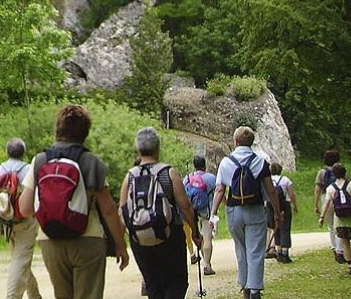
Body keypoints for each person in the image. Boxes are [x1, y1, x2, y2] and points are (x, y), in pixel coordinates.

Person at [17, 104, 129, 299]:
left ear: (57, 129)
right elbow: (109, 210)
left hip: (50, 241)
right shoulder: (92, 162)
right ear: (85, 132)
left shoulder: (40, 160)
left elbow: (25, 208)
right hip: (88, 239)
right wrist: (120, 244)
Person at [120, 127, 201, 299]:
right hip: (170, 235)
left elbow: (123, 211)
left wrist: (126, 237)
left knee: (153, 284)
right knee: (176, 282)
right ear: (158, 148)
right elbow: (185, 207)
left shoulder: (130, 176)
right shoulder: (168, 173)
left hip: (140, 239)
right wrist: (194, 232)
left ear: (138, 149)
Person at [208, 126, 283, 299]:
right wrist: (277, 212)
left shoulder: (226, 162)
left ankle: (245, 285)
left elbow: (220, 190)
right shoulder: (260, 162)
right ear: (252, 142)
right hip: (255, 209)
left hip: (234, 210)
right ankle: (255, 289)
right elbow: (271, 190)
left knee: (240, 248)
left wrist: (213, 213)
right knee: (255, 250)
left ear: (235, 142)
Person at [0, 137, 42, 299]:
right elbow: (37, 199)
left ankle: (35, 295)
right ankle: (12, 296)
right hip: (26, 221)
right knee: (21, 261)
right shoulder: (29, 170)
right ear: (23, 153)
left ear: (7, 152)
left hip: (6, 223)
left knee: (20, 261)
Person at [318, 162, 351, 275]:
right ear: (345, 172)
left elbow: (326, 203)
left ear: (334, 175)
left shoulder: (331, 188)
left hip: (339, 220)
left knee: (345, 243)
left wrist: (322, 217)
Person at [184, 154, 217, 275]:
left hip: (192, 213)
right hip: (207, 212)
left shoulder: (187, 179)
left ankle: (205, 261)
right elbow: (219, 191)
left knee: (200, 238)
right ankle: (207, 265)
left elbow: (184, 197)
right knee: (207, 238)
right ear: (204, 165)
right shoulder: (211, 178)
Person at [313, 149, 345, 263]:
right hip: (340, 198)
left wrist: (316, 205)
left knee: (331, 226)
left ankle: (334, 249)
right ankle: (340, 250)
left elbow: (317, 190)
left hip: (326, 198)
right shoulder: (341, 170)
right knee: (340, 224)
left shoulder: (322, 172)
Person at [268, 163, 297, 263]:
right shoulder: (285, 180)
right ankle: (285, 254)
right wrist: (295, 206)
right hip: (284, 206)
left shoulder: (268, 180)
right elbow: (291, 194)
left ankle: (278, 252)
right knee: (285, 228)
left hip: (270, 206)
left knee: (275, 228)